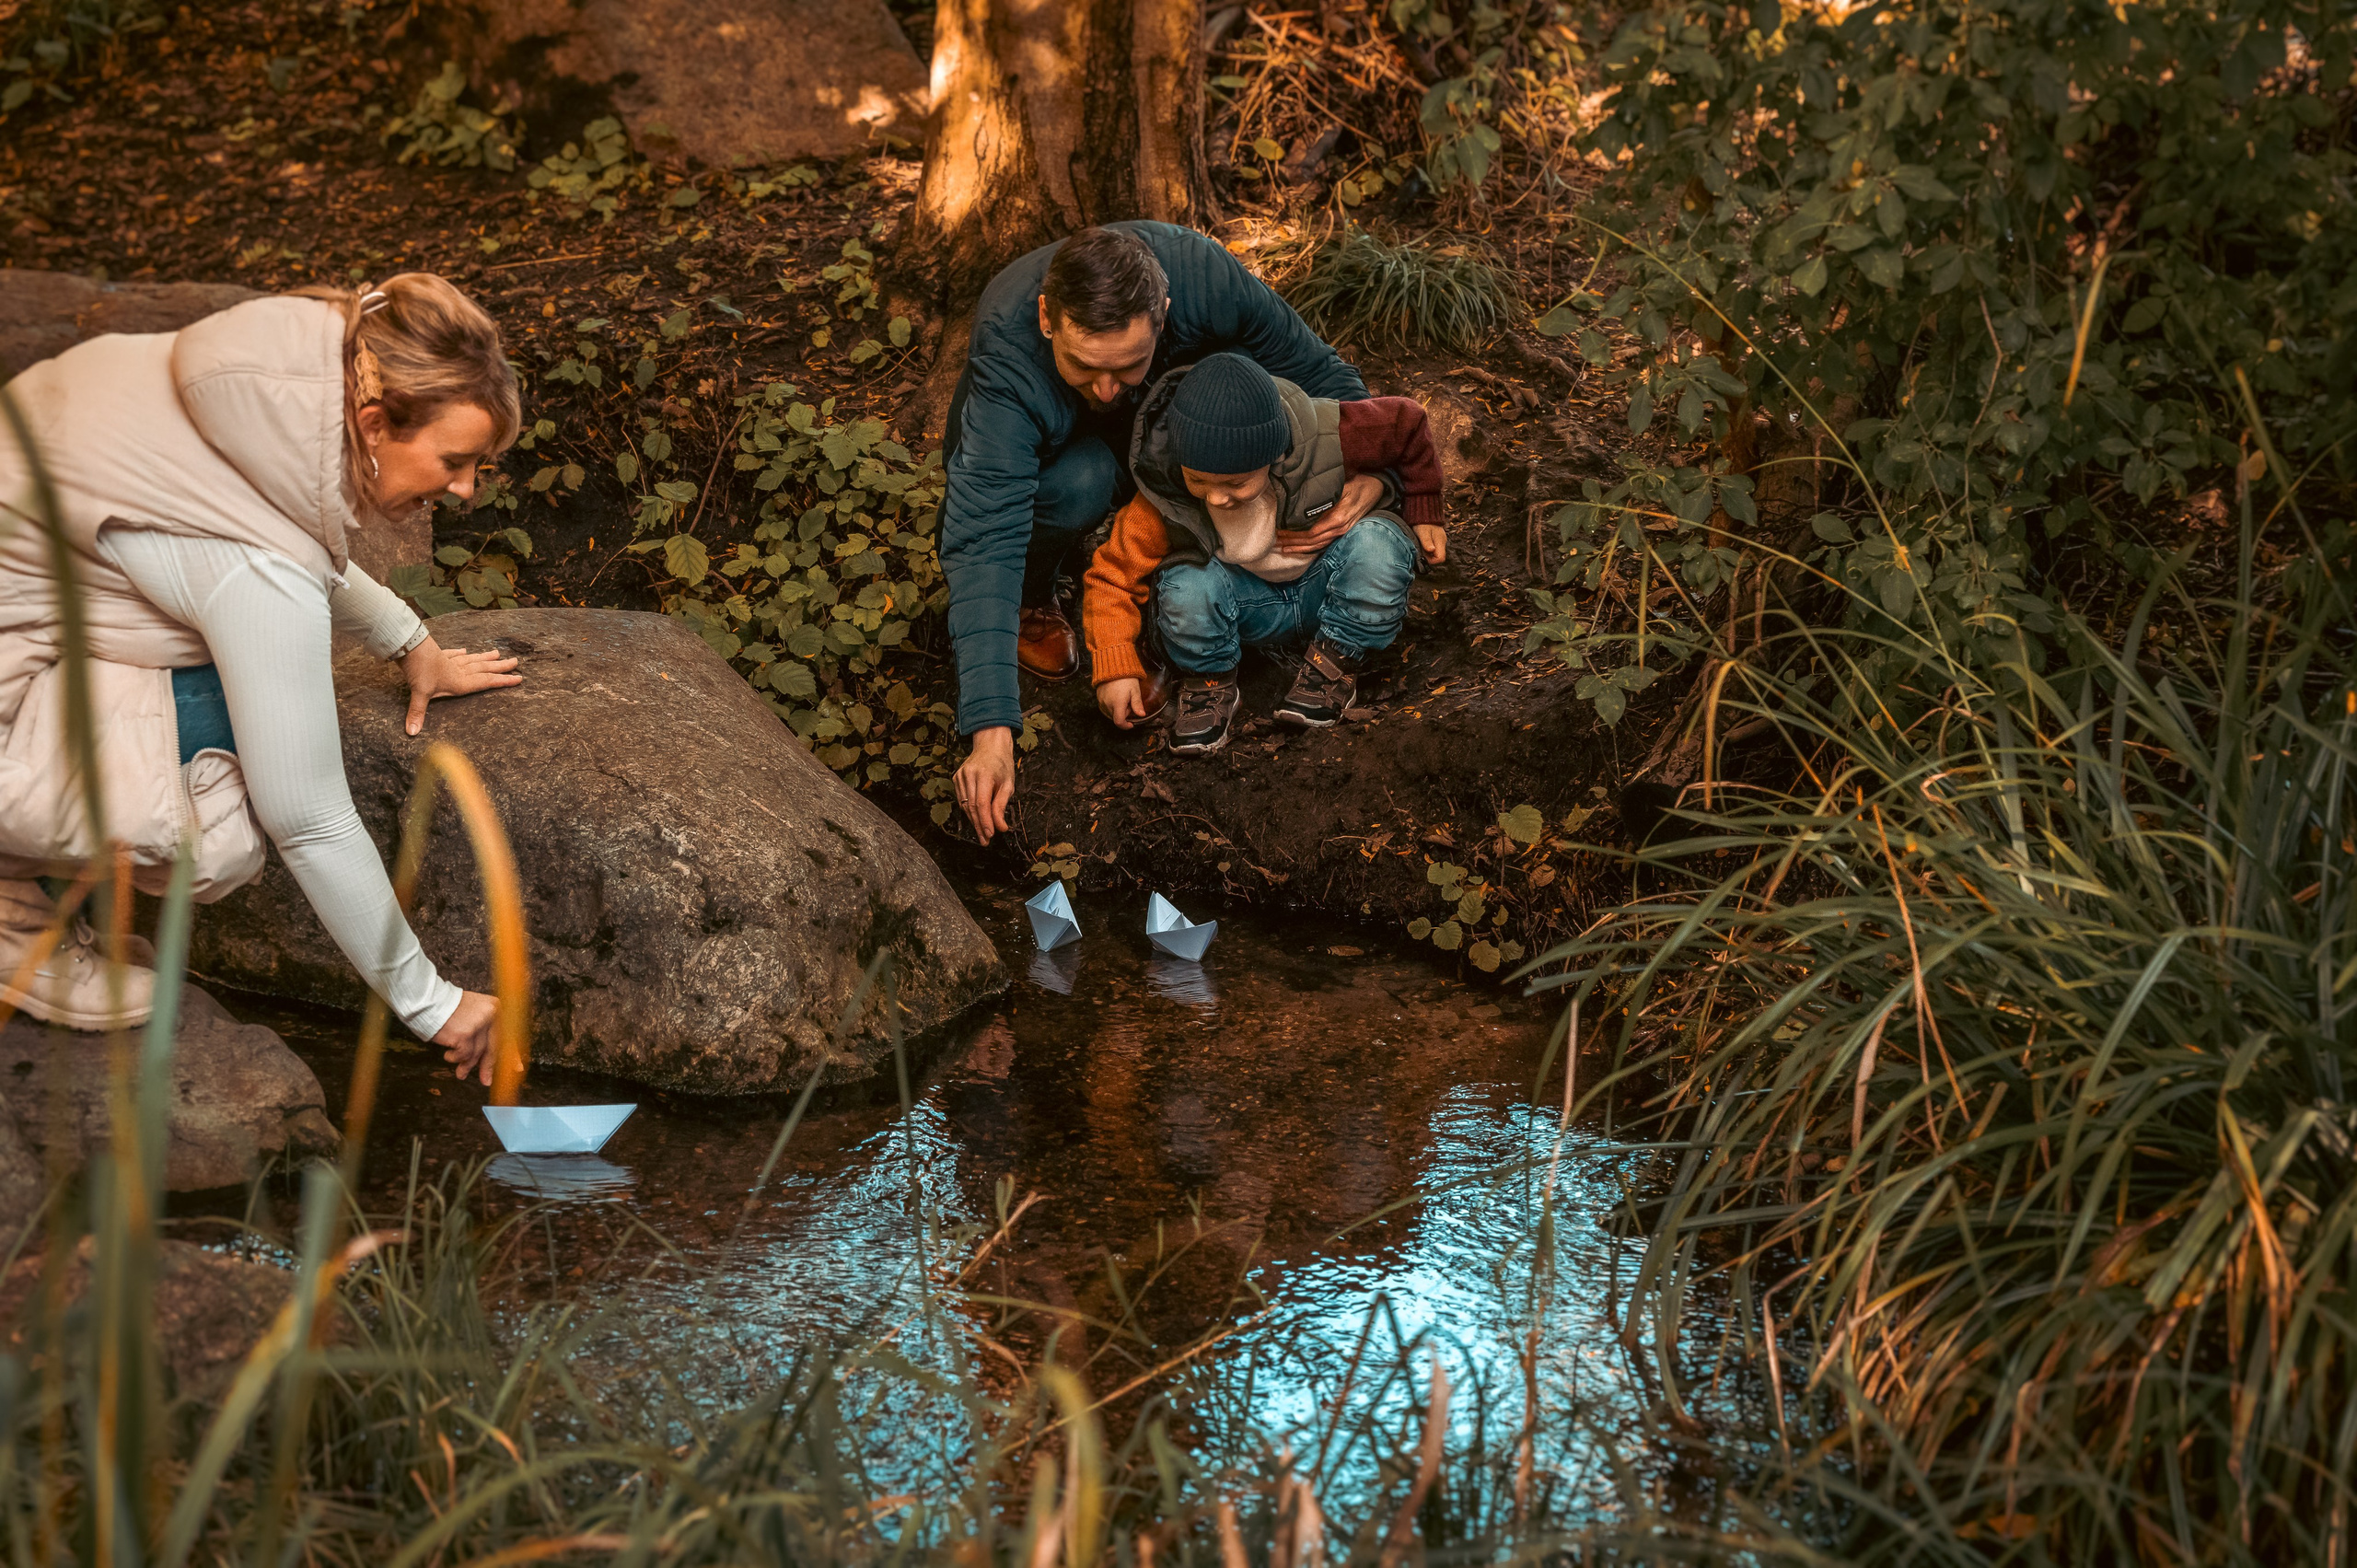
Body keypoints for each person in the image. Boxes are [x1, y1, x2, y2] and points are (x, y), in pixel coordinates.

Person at [0, 273, 525, 1085]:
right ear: (374, 424)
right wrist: (433, 1002)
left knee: (251, 678)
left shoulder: (268, 387)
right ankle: (10, 915)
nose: (464, 488)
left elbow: (258, 539)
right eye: (455, 461)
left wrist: (410, 643)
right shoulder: (256, 562)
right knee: (231, 814)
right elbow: (309, 817)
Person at [943, 222, 1372, 842]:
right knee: (1082, 483)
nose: (1106, 388)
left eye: (1128, 364)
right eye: (1083, 365)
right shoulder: (1009, 347)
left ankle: (1163, 591)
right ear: (1046, 319)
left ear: (1164, 314)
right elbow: (986, 534)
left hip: (1165, 441)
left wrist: (1372, 472)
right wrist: (991, 735)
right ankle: (1035, 597)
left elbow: (1318, 373)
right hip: (1053, 464)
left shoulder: (1209, 282)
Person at [1081, 353, 1446, 754]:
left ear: (1272, 454)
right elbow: (1113, 576)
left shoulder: (1329, 437)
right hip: (1245, 609)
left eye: (1236, 483)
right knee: (1184, 584)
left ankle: (1336, 661)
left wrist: (1424, 504)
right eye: (1198, 480)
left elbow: (1407, 421)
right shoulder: (1163, 498)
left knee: (1379, 543)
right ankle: (1210, 681)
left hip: (1327, 585)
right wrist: (1114, 668)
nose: (1216, 498)